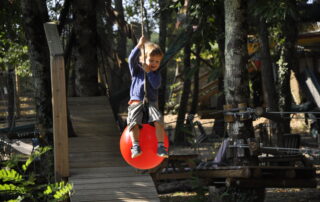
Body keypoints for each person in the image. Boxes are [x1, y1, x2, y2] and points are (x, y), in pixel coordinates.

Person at [127, 36, 168, 159]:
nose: (154, 64)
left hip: (151, 102)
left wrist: (149, 72)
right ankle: (135, 145)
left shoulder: (156, 74)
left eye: (157, 61)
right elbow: (130, 59)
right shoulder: (136, 71)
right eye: (151, 60)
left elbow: (156, 85)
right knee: (134, 122)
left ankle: (161, 146)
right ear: (143, 59)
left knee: (158, 120)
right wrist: (139, 45)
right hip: (136, 101)